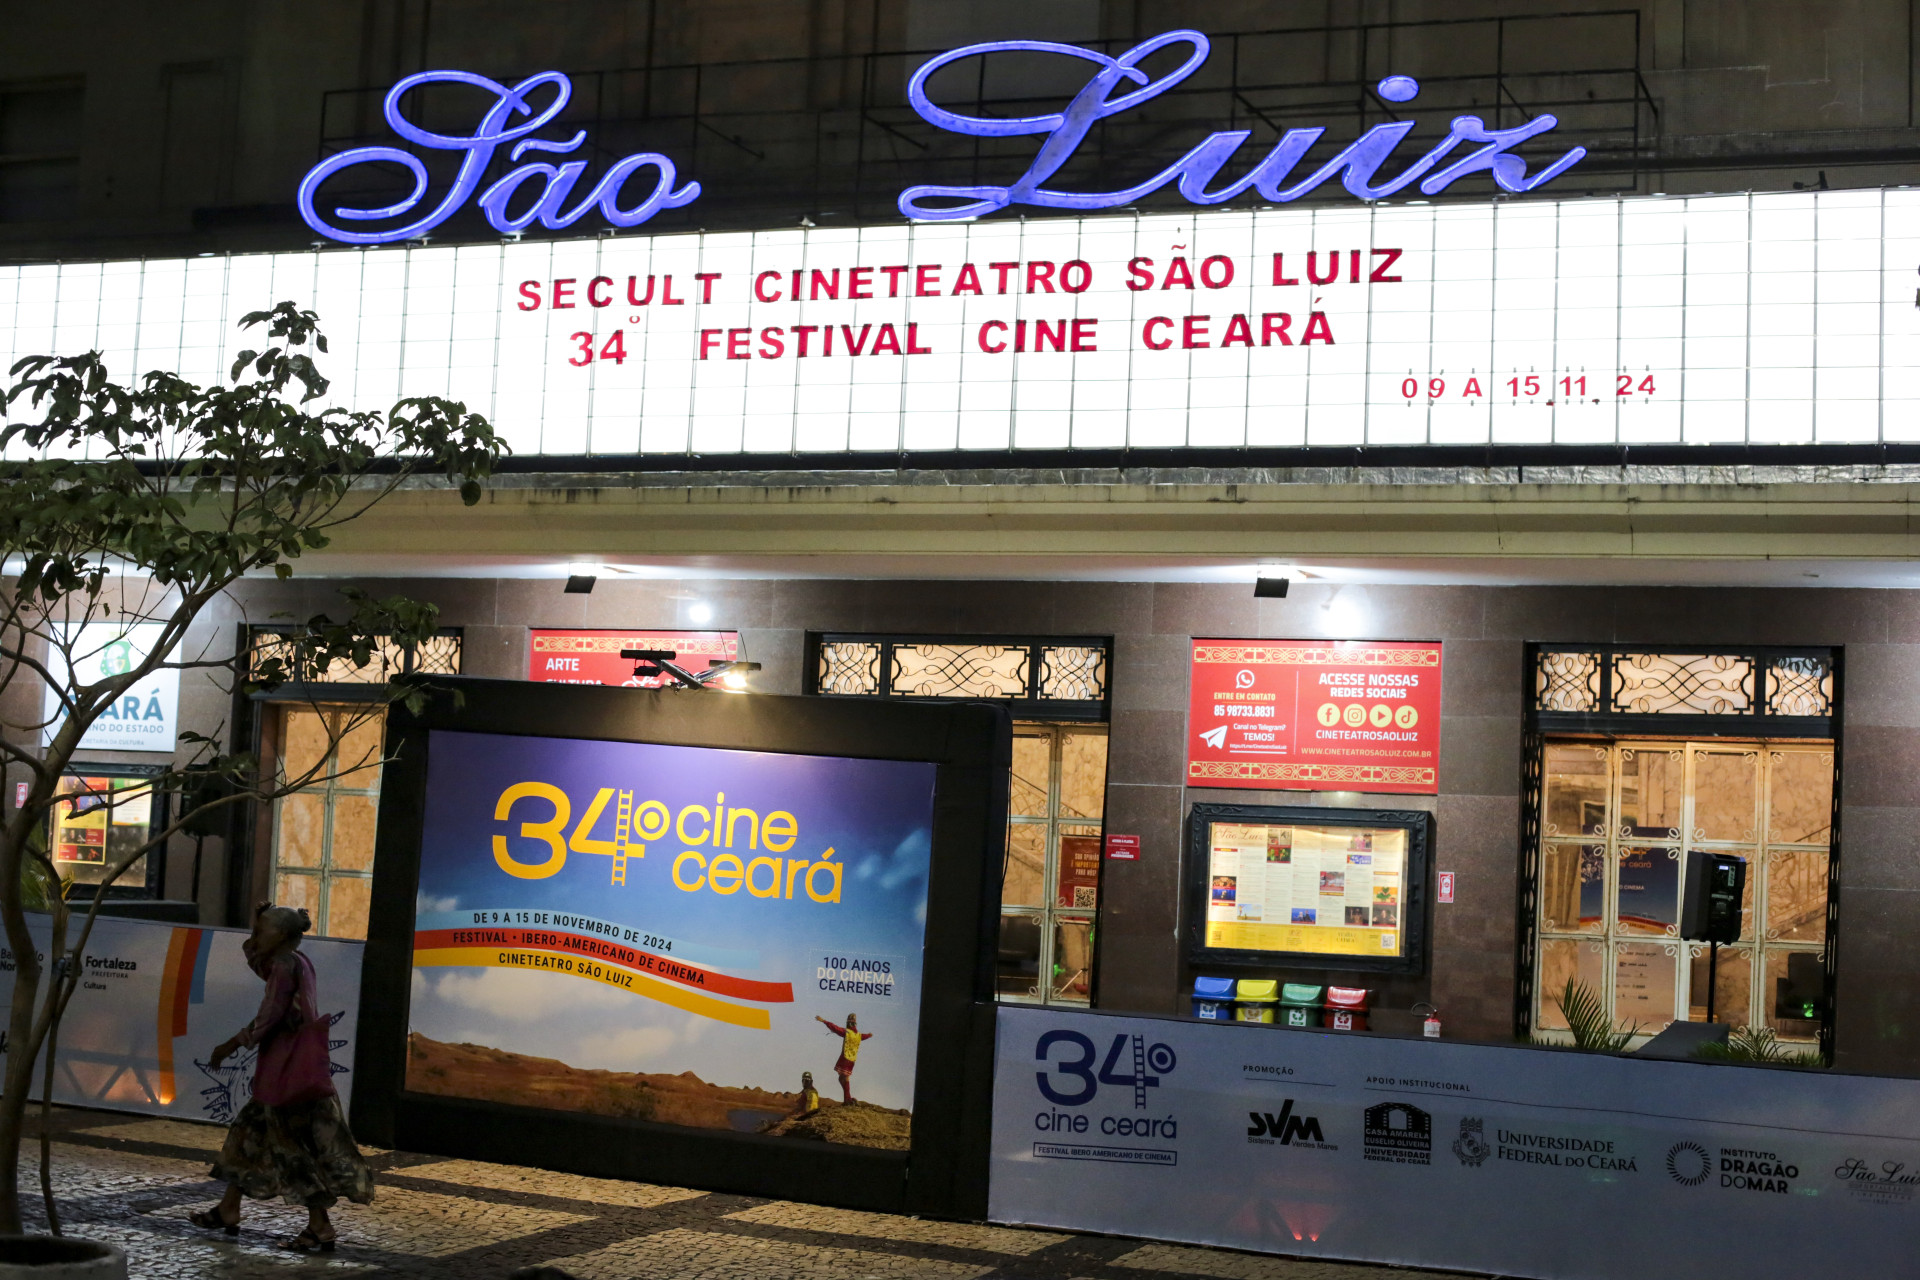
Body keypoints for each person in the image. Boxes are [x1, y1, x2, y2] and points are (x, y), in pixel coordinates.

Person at [189, 902, 373, 1252]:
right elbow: (259, 961)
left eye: (265, 929)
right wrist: (255, 923)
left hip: (285, 1073)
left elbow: (270, 1014)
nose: (258, 936)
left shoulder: (286, 966)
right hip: (285, 1070)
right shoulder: (292, 961)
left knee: (291, 1148)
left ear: (284, 935)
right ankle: (229, 1208)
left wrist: (231, 1044)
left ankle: (319, 1226)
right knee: (247, 1135)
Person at [814, 1012, 872, 1104]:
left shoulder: (847, 1032)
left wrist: (824, 1021)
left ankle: (847, 1100)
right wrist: (869, 1035)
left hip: (845, 1058)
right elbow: (864, 1036)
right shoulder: (858, 1035)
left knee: (843, 1079)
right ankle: (848, 1098)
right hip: (852, 1060)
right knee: (843, 1078)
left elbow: (835, 1028)